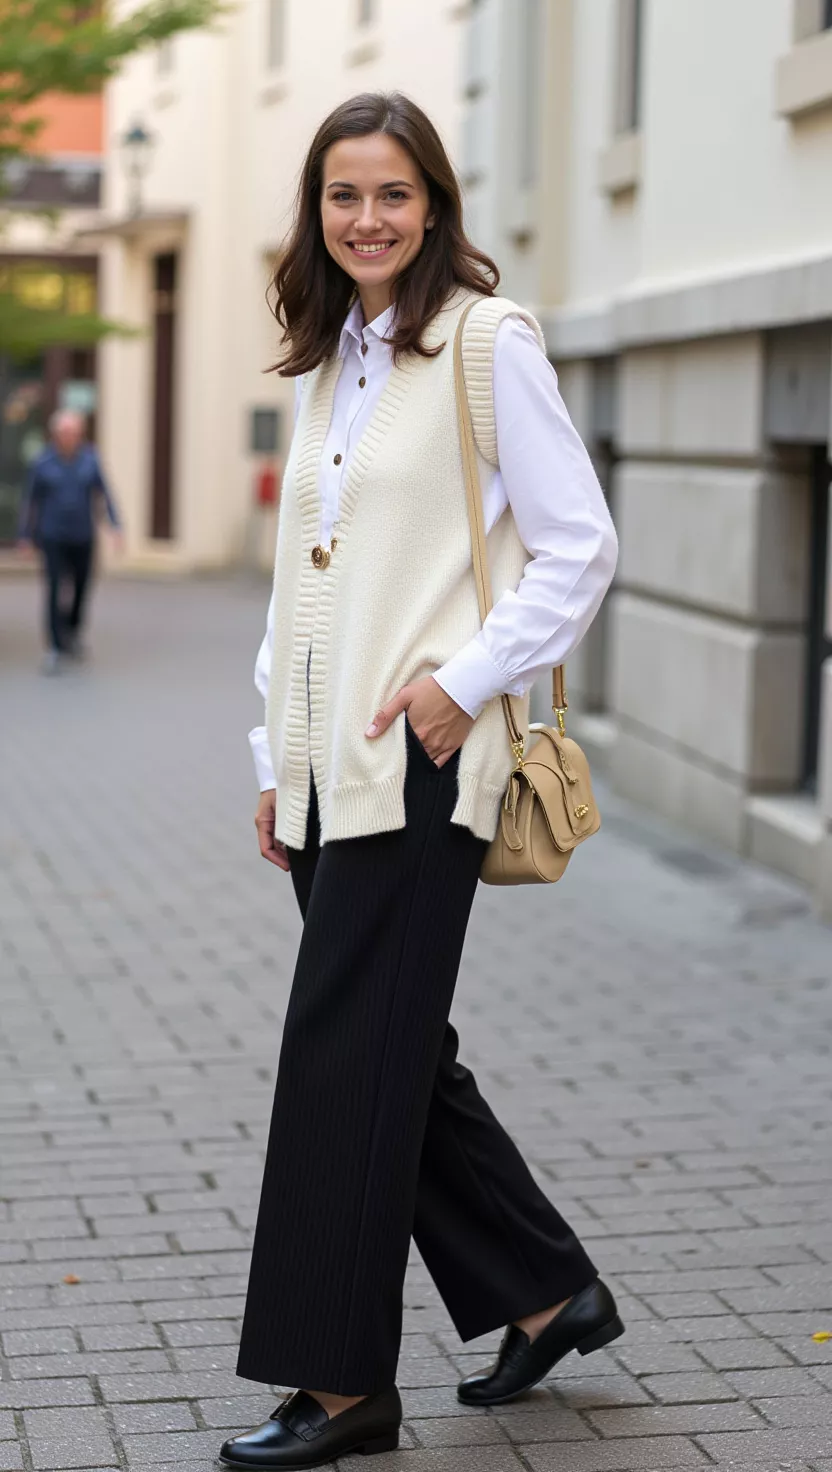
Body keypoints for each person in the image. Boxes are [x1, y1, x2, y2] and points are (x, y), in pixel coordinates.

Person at [221, 93, 621, 1472]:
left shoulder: (485, 345)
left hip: (428, 767)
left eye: (393, 194)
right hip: (331, 773)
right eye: (344, 195)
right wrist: (274, 756)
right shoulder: (334, 357)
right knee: (398, 1049)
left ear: (436, 204)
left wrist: (463, 683)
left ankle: (341, 1390)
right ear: (317, 212)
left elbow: (580, 548)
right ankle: (545, 1290)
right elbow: (300, 584)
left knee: (345, 1060)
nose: (368, 218)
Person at [17, 409, 122, 673]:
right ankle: (54, 646)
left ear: (80, 435)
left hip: (83, 535)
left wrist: (115, 526)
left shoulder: (90, 459)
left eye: (74, 432)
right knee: (54, 589)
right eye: (65, 432)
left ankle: (72, 631)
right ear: (56, 435)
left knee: (82, 587)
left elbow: (104, 492)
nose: (70, 437)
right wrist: (25, 536)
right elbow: (30, 501)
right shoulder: (43, 462)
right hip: (52, 536)